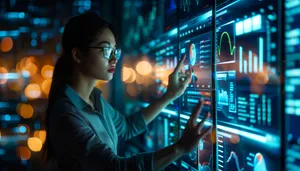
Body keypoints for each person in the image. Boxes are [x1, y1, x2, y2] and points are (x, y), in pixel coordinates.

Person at [43, 12, 212, 171]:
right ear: (78, 55)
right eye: (106, 50)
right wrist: (180, 148)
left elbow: (127, 128)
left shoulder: (94, 100)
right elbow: (115, 168)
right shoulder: (66, 114)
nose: (114, 59)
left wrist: (169, 95)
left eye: (115, 50)